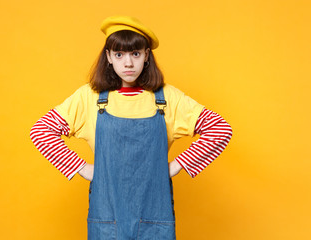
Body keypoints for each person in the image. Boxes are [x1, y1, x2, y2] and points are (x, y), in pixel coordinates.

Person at [30, 16, 232, 240]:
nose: (128, 63)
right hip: (107, 218)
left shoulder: (167, 99)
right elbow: (41, 131)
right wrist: (83, 168)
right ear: (108, 57)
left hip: (155, 218)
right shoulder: (90, 98)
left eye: (135, 54)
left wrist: (175, 166)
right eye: (119, 54)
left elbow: (220, 129)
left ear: (146, 55)